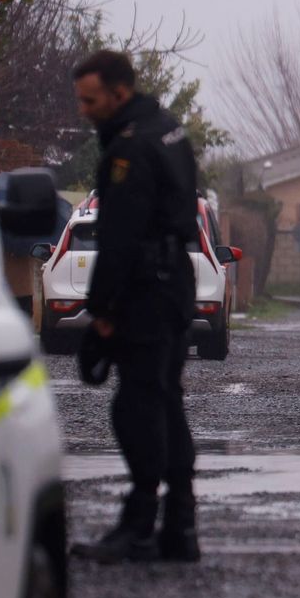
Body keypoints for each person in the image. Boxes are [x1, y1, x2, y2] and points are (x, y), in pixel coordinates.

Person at [68, 50, 203, 563]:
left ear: (118, 93)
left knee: (138, 405)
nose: (83, 109)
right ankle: (181, 524)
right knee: (165, 397)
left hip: (146, 289)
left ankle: (142, 524)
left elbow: (120, 237)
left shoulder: (131, 148)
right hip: (174, 283)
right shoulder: (167, 127)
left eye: (90, 99)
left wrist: (101, 311)